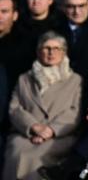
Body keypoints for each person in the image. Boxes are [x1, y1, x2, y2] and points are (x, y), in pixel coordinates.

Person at [2, 31, 82, 180]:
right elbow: (15, 108)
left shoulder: (75, 80)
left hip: (59, 136)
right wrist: (34, 127)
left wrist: (50, 130)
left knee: (33, 158)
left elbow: (74, 112)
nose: (51, 52)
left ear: (64, 52)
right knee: (16, 153)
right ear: (39, 52)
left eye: (56, 48)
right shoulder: (24, 79)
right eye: (46, 48)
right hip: (26, 134)